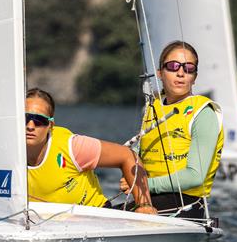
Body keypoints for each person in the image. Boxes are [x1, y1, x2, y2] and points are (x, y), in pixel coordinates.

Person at [127, 41, 224, 219]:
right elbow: (134, 153)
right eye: (172, 66)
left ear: (194, 77)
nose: (180, 73)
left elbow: (195, 176)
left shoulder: (203, 113)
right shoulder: (152, 107)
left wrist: (145, 184)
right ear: (159, 73)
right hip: (148, 197)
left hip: (186, 203)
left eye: (188, 68)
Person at [25, 88, 156, 214]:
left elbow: (128, 156)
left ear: (50, 125)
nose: (30, 126)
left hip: (95, 218)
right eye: (25, 118)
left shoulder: (72, 146)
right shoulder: (6, 153)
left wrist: (144, 204)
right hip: (43, 223)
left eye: (39, 120)